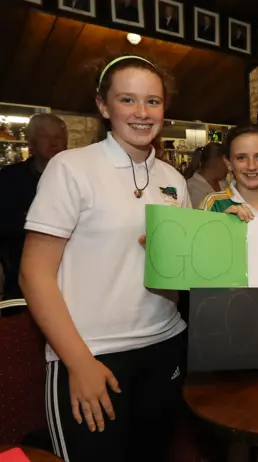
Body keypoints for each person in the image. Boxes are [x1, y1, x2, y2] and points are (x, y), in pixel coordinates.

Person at [19, 55, 191, 462]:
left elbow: (181, 270)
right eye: (127, 100)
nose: (142, 113)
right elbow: (33, 275)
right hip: (92, 352)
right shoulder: (71, 168)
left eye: (153, 101)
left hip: (165, 344)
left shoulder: (173, 179)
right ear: (103, 106)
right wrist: (78, 362)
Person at [0, 114, 67, 301]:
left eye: (58, 137)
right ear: (32, 142)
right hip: (22, 275)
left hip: (68, 278)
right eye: (46, 137)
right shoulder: (10, 178)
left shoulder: (76, 177)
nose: (53, 143)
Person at [185, 143, 229, 207]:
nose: (230, 167)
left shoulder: (224, 183)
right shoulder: (191, 187)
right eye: (227, 162)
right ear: (217, 162)